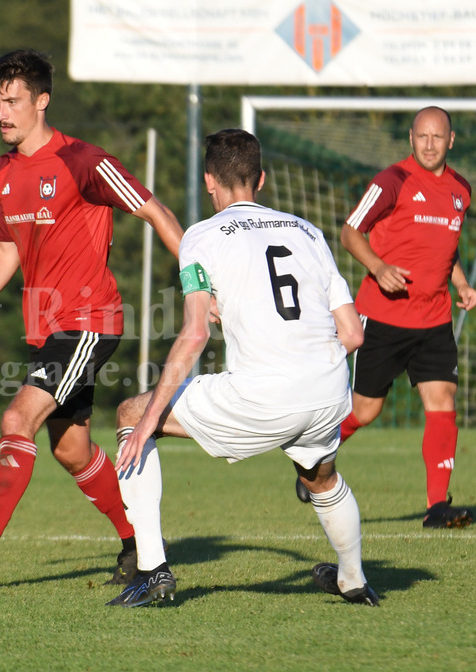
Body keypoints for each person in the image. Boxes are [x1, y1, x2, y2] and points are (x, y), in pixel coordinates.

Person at [0, 49, 184, 589]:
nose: (2, 113)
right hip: (48, 328)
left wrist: (205, 282)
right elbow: (6, 251)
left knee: (17, 420)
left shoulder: (82, 161)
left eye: (13, 101)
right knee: (72, 449)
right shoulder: (3, 171)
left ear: (42, 101)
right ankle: (137, 545)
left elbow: (156, 211)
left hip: (89, 321)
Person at [109, 129, 377, 608]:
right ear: (262, 179)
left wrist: (150, 420)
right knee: (321, 477)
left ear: (210, 181)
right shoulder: (307, 231)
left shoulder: (202, 236)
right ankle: (353, 579)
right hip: (329, 390)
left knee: (132, 413)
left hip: (264, 395)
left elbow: (194, 334)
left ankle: (153, 572)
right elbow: (354, 334)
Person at [325, 106, 476, 529]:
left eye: (438, 137)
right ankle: (316, 460)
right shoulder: (391, 181)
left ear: (452, 140)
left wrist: (462, 284)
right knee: (366, 410)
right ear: (411, 138)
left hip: (434, 319)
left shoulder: (460, 190)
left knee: (442, 399)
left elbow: (446, 247)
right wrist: (377, 267)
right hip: (384, 317)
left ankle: (437, 507)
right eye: (422, 137)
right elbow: (350, 231)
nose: (430, 145)